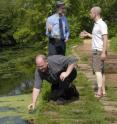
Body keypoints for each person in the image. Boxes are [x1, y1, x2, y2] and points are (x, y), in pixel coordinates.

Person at [80, 6, 108, 98]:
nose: (90, 14)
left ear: (95, 13)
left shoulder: (102, 24)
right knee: (101, 71)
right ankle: (103, 91)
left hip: (98, 51)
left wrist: (103, 52)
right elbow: (97, 37)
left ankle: (99, 91)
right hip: (98, 51)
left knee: (97, 71)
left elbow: (105, 39)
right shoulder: (96, 24)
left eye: (91, 13)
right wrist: (88, 34)